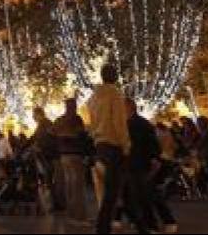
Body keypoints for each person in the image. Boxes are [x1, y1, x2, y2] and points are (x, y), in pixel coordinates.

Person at [87, 64, 134, 235]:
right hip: (114, 146)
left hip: (100, 146)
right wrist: (126, 145)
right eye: (115, 73)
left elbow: (91, 125)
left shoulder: (93, 98)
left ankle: (140, 224)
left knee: (116, 188)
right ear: (112, 76)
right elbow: (119, 122)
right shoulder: (114, 94)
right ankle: (102, 226)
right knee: (113, 192)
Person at [125, 99, 177, 234]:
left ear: (129, 108)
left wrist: (154, 159)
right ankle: (156, 222)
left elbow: (149, 144)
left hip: (140, 163)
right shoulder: (139, 123)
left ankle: (157, 223)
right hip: (139, 163)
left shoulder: (136, 124)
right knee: (143, 194)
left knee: (146, 194)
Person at [54, 97, 90, 225]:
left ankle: (71, 215)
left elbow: (54, 135)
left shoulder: (59, 120)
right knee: (78, 187)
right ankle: (79, 217)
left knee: (69, 186)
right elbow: (82, 136)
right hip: (75, 155)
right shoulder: (76, 119)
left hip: (63, 156)